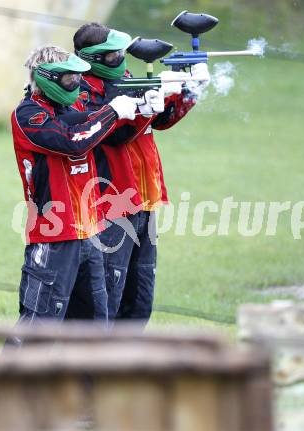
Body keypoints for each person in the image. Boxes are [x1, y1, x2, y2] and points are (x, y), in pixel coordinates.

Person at [72, 23, 211, 325]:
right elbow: (115, 136)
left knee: (140, 295)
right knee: (107, 295)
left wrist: (187, 92)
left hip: (143, 201)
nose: (120, 59)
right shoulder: (81, 92)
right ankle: (93, 367)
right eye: (112, 55)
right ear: (93, 58)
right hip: (109, 204)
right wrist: (144, 108)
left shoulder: (121, 79)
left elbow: (160, 120)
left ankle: (127, 364)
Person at [10, 44, 143, 326]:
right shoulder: (28, 115)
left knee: (93, 328)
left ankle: (84, 373)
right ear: (48, 78)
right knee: (39, 324)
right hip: (54, 235)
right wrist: (112, 112)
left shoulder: (76, 108)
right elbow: (72, 140)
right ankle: (10, 372)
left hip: (91, 231)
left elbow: (110, 134)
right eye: (69, 78)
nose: (77, 83)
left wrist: (146, 108)